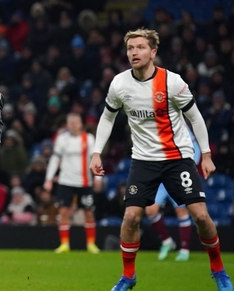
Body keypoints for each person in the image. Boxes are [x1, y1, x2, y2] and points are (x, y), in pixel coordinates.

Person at [90, 28, 232, 291]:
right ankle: (128, 276)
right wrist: (97, 151)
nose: (134, 52)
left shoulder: (173, 82)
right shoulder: (120, 84)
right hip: (143, 160)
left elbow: (196, 117)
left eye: (140, 47)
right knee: (131, 217)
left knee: (200, 216)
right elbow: (108, 117)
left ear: (153, 52)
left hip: (177, 158)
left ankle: (218, 270)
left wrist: (207, 155)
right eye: (131, 48)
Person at [44, 112, 101, 254]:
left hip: (84, 181)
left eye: (76, 123)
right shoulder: (62, 139)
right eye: (71, 123)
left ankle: (91, 244)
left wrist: (98, 177)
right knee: (63, 211)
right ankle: (64, 244)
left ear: (81, 124)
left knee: (88, 212)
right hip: (66, 181)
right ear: (67, 125)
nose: (74, 126)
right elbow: (55, 159)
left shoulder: (88, 138)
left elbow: (95, 159)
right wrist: (49, 179)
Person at [145, 131, 202, 262]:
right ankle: (166, 241)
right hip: (161, 177)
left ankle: (184, 249)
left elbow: (195, 149)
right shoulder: (156, 126)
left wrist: (189, 167)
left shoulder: (181, 126)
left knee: (181, 210)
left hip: (178, 175)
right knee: (150, 209)